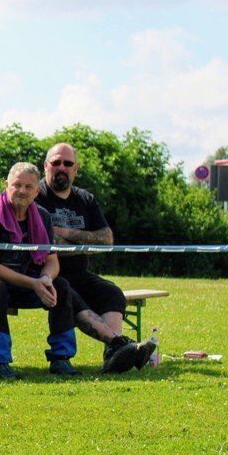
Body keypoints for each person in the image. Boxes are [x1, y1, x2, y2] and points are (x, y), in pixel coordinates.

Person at [35, 143, 155, 373]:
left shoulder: (85, 199)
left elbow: (106, 240)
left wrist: (64, 232)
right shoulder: (36, 196)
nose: (62, 168)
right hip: (48, 275)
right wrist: (85, 243)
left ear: (76, 168)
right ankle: (119, 344)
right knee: (69, 294)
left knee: (112, 293)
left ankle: (113, 354)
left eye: (68, 163)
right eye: (56, 162)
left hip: (80, 273)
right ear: (46, 166)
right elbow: (50, 245)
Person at [0, 163, 78, 379]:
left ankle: (61, 358)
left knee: (60, 286)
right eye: (17, 185)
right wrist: (33, 283)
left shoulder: (43, 216)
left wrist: (45, 278)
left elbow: (52, 261)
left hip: (25, 282)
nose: (22, 191)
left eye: (28, 187)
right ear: (6, 185)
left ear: (37, 192)